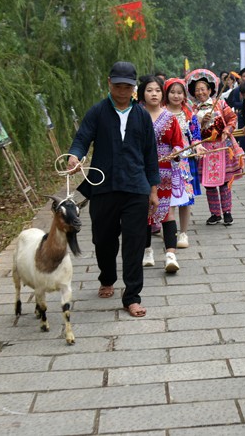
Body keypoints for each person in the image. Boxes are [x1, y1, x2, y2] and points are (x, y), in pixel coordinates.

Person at [67, 61, 159, 318]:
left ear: (134, 88)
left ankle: (132, 296)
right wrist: (74, 157)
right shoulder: (97, 112)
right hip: (103, 186)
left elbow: (150, 155)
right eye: (117, 85)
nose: (122, 90)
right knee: (103, 239)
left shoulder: (141, 116)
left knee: (134, 242)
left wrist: (153, 190)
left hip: (135, 187)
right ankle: (107, 277)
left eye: (127, 86)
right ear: (109, 83)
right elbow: (81, 139)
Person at [138, 75, 186, 273]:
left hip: (165, 170)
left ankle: (170, 254)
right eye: (149, 90)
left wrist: (176, 151)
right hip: (141, 170)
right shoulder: (136, 115)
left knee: (166, 212)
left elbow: (178, 142)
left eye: (157, 90)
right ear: (142, 93)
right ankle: (147, 250)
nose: (154, 94)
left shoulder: (170, 117)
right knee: (144, 212)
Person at [186, 69, 243, 225]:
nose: (200, 92)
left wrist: (226, 130)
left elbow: (232, 118)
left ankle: (227, 212)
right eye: (197, 90)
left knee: (224, 182)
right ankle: (215, 213)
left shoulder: (220, 104)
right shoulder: (193, 110)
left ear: (210, 90)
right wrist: (202, 123)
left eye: (203, 89)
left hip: (221, 147)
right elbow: (191, 130)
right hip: (204, 148)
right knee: (209, 184)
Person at [163, 77, 203, 249]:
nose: (176, 96)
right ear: (166, 93)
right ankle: (169, 232)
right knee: (168, 197)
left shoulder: (189, 114)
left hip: (185, 161)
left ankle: (184, 233)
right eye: (172, 92)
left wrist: (198, 147)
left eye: (179, 92)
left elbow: (195, 136)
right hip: (165, 160)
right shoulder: (160, 112)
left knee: (186, 198)